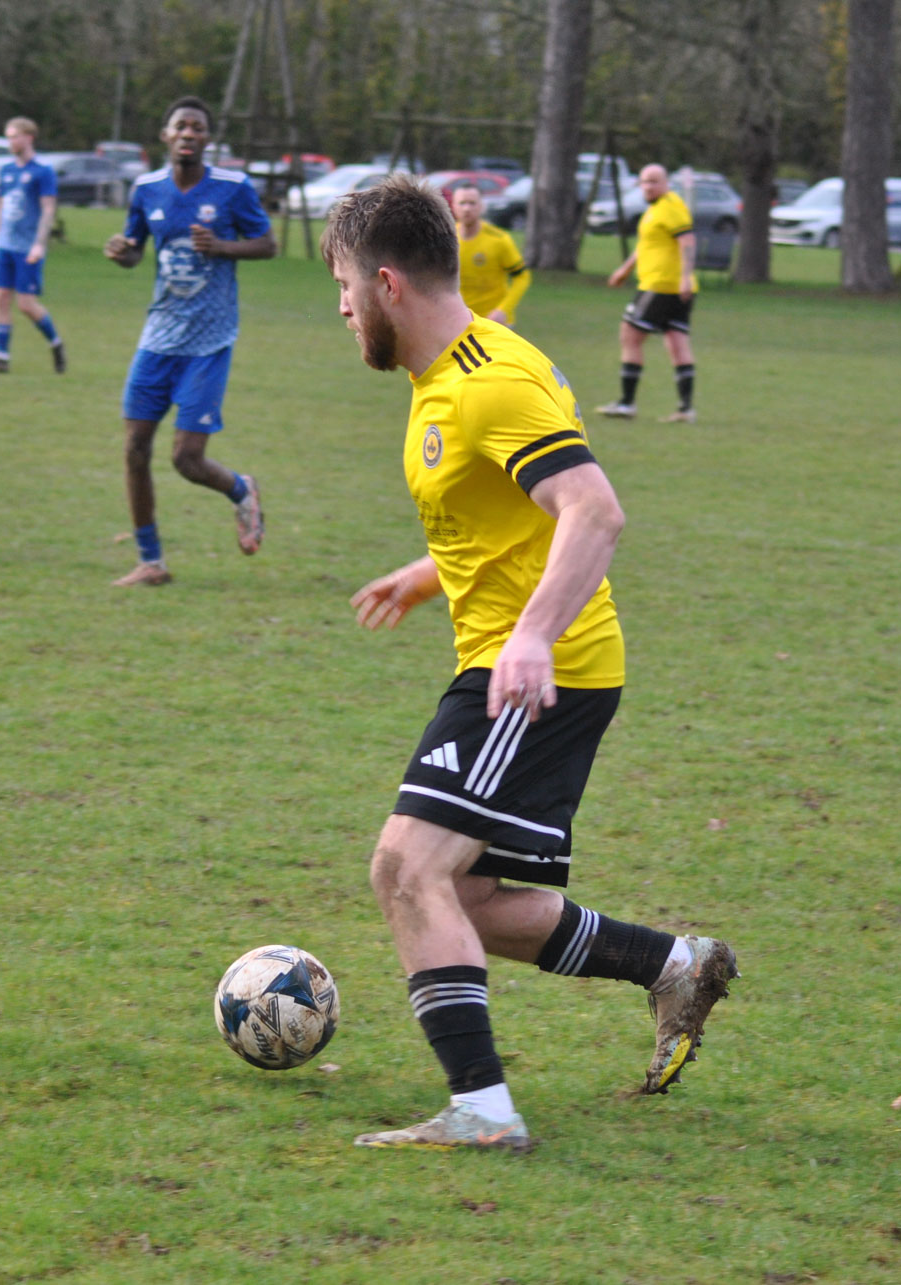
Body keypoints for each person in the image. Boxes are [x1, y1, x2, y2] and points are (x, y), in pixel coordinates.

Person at [322, 176, 738, 1152]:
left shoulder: (489, 381)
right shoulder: (454, 370)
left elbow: (594, 511)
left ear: (387, 284)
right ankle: (674, 964)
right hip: (527, 660)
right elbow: (513, 515)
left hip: (537, 670)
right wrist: (430, 574)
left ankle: (482, 1109)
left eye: (343, 286)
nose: (340, 309)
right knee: (467, 898)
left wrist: (533, 635)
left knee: (406, 868)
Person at [102, 97, 273, 587]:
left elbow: (267, 244)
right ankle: (151, 562)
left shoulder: (233, 188)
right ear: (166, 135)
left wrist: (222, 247)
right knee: (135, 448)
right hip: (158, 337)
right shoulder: (146, 189)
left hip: (209, 340)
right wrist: (122, 252)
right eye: (181, 126)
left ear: (207, 139)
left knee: (186, 459)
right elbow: (136, 250)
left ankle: (241, 489)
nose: (189, 134)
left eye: (198, 127)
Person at [597, 165, 698, 424]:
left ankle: (626, 403)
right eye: (644, 182)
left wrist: (685, 277)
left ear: (666, 183)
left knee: (630, 335)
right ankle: (685, 409)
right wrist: (625, 269)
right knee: (677, 342)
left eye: (654, 181)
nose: (648, 187)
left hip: (660, 285)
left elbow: (687, 241)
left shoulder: (671, 207)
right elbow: (647, 245)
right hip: (669, 286)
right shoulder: (656, 209)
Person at [0, 117, 65, 375]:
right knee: (0, 298)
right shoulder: (6, 170)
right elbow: (1, 207)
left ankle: (56, 343)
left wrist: (39, 244)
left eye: (15, 136)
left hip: (27, 248)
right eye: (8, 137)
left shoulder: (43, 171)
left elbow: (48, 209)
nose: (11, 142)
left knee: (26, 304)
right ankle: (1, 358)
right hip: (5, 245)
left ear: (29, 137)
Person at [450, 182, 530, 326]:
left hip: (494, 323)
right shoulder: (446, 240)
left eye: (472, 203)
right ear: (454, 207)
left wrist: (503, 310)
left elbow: (522, 277)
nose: (467, 208)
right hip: (459, 322)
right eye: (462, 203)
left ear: (482, 206)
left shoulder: (499, 240)